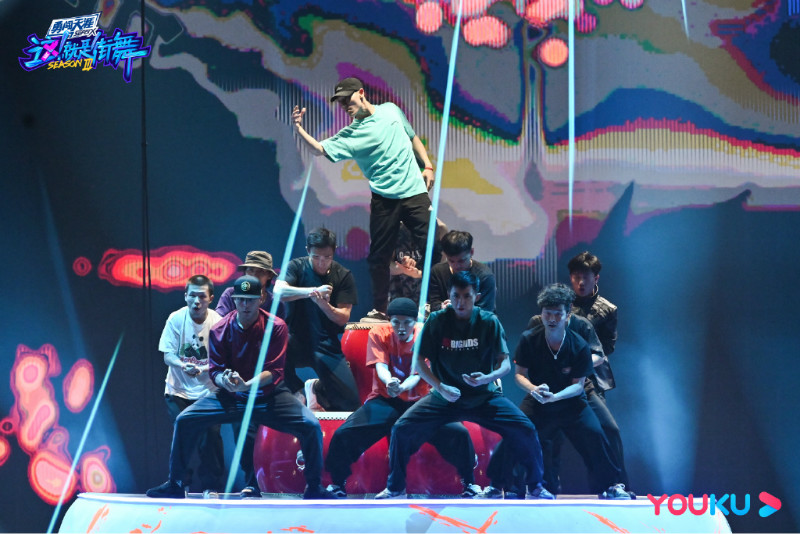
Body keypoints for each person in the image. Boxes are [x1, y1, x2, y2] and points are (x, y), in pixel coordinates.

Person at [146, 276, 336, 500]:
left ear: (261, 299)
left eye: (251, 300)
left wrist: (246, 385)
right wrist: (225, 380)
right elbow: (215, 370)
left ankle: (314, 487)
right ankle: (176, 484)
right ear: (234, 300)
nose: (245, 305)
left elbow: (274, 371)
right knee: (185, 420)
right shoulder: (220, 329)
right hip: (232, 397)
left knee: (311, 425)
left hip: (269, 396)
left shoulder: (275, 327)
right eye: (241, 299)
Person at [375, 272, 553, 499]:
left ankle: (535, 486)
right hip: (445, 398)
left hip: (483, 397)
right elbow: (419, 362)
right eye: (456, 296)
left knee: (525, 428)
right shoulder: (437, 320)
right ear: (449, 296)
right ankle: (395, 488)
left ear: (476, 297)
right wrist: (441, 387)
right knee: (401, 428)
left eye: (466, 296)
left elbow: (505, 365)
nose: (461, 302)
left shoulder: (489, 321)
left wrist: (487, 378)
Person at [292, 76, 436, 320]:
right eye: (340, 102)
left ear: (361, 93)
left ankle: (434, 303)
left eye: (347, 98)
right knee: (379, 257)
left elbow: (411, 136)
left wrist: (428, 165)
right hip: (385, 199)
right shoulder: (351, 134)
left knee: (432, 246)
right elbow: (318, 149)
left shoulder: (391, 110)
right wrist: (299, 129)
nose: (345, 105)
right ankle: (380, 310)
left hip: (414, 192)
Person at [483, 284, 629, 500]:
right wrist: (534, 389)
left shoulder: (579, 343)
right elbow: (519, 375)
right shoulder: (529, 338)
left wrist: (556, 397)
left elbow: (578, 385)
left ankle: (610, 486)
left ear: (568, 314)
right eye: (547, 313)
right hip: (539, 399)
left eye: (558, 314)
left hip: (572, 401)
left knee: (595, 434)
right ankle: (497, 485)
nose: (552, 319)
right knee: (516, 430)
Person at [324, 298, 480, 498]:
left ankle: (469, 482)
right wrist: (390, 382)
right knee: (345, 433)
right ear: (389, 321)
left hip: (421, 401)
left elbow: (418, 374)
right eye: (396, 322)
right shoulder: (379, 333)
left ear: (415, 321)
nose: (401, 327)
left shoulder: (425, 335)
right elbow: (380, 366)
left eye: (407, 322)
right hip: (386, 399)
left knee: (457, 432)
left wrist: (402, 386)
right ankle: (337, 483)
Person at [274, 228, 360, 412]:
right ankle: (298, 391)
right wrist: (312, 292)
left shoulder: (343, 275)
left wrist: (324, 305)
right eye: (316, 257)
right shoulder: (296, 266)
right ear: (308, 251)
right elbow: (278, 292)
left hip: (325, 343)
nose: (321, 262)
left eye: (327, 257)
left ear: (334, 252)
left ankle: (316, 388)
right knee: (270, 344)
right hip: (296, 340)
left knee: (350, 402)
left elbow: (343, 318)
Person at [566, 251, 630, 491]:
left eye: (586, 277)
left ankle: (618, 485)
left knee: (607, 431)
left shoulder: (607, 309)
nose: (581, 282)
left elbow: (608, 347)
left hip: (591, 379)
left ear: (596, 278)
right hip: (559, 378)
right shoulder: (562, 305)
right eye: (576, 277)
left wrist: (583, 360)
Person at [158, 274, 224, 496]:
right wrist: (183, 365)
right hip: (178, 390)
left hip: (208, 391)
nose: (197, 301)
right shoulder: (176, 319)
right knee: (182, 434)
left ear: (211, 298)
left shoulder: (218, 322)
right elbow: (168, 355)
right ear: (185, 296)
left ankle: (211, 486)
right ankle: (178, 483)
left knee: (210, 436)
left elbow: (223, 358)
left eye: (202, 297)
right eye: (192, 296)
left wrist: (203, 369)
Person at [428, 230, 496, 313]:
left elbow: (485, 311)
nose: (456, 266)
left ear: (471, 252)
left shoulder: (485, 276)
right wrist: (442, 307)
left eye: (461, 261)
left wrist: (456, 308)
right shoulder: (437, 272)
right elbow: (434, 304)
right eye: (451, 261)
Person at [388, 220, 448, 306]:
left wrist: (419, 273)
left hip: (428, 298)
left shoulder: (439, 228)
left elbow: (440, 269)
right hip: (399, 297)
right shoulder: (393, 227)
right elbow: (385, 266)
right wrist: (403, 268)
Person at [216, 250, 286, 320]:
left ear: (269, 275)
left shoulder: (276, 303)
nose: (255, 275)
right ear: (245, 272)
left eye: (260, 271)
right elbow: (219, 322)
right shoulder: (230, 294)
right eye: (251, 270)